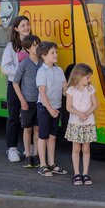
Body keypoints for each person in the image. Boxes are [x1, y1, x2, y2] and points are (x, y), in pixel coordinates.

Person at [35, 41, 68, 177]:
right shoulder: (41, 72)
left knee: (53, 137)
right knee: (43, 136)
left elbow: (65, 89)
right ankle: (43, 165)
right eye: (52, 53)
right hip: (44, 108)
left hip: (56, 107)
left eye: (56, 52)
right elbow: (42, 93)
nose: (56, 55)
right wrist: (49, 109)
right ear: (44, 56)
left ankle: (52, 163)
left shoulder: (59, 70)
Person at [1, 15, 31, 162]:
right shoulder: (11, 46)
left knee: (30, 117)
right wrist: (21, 70)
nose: (26, 27)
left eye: (27, 25)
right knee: (13, 117)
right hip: (15, 85)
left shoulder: (34, 44)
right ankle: (12, 148)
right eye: (23, 25)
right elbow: (5, 67)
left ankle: (29, 148)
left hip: (30, 87)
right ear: (16, 29)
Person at [65, 63, 99, 186]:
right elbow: (68, 107)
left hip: (88, 123)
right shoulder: (71, 90)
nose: (89, 80)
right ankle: (76, 173)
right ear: (79, 76)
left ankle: (85, 173)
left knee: (86, 148)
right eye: (88, 77)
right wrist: (80, 114)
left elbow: (95, 104)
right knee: (76, 148)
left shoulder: (90, 89)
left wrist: (86, 114)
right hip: (75, 123)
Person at [12, 34, 42, 168]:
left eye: (39, 44)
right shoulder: (24, 64)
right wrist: (22, 100)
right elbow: (15, 82)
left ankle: (36, 154)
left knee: (38, 128)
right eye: (35, 45)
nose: (38, 47)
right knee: (27, 129)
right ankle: (28, 155)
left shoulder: (43, 62)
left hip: (41, 101)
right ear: (28, 48)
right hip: (27, 102)